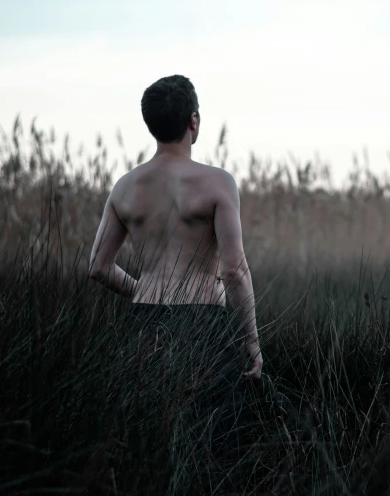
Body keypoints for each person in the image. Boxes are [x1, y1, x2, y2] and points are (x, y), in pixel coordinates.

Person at [87, 74, 262, 483]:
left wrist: (144, 292)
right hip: (202, 323)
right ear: (194, 122)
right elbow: (234, 270)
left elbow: (97, 266)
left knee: (148, 442)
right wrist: (251, 341)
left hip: (142, 324)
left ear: (151, 124)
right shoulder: (218, 183)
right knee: (215, 448)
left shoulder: (125, 187)